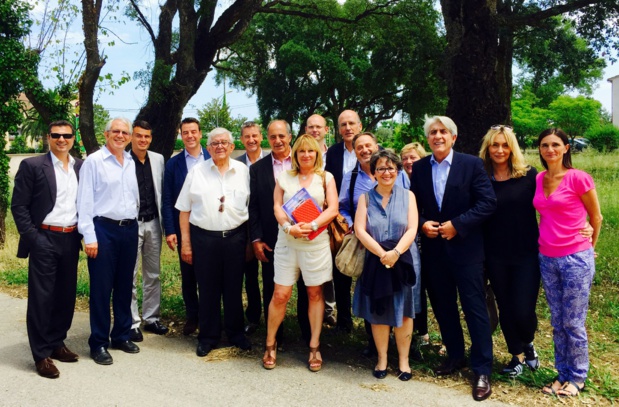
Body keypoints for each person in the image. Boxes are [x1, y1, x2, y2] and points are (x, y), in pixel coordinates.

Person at [409, 115, 496, 401]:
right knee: (443, 308)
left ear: (453, 137)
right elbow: (413, 206)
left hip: (467, 251)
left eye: (443, 131)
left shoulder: (471, 165)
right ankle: (455, 356)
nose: (437, 136)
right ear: (428, 138)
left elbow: (487, 203)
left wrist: (457, 224)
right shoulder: (420, 168)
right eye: (432, 132)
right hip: (434, 253)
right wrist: (422, 223)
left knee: (474, 309)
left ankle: (482, 368)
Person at [533, 128, 602, 397]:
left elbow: (596, 217)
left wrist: (589, 247)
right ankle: (561, 374)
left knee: (574, 322)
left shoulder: (578, 178)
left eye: (555, 145)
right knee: (557, 321)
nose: (550, 149)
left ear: (566, 148)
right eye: (544, 145)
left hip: (576, 259)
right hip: (547, 257)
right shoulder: (539, 178)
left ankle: (578, 377)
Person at [11, 120, 83, 378]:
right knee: (42, 298)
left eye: (66, 135)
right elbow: (18, 206)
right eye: (56, 135)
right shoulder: (32, 166)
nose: (61, 140)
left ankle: (56, 343)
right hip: (44, 238)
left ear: (73, 138)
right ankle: (41, 354)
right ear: (48, 138)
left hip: (71, 238)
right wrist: (33, 237)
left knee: (65, 295)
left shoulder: (80, 166)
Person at [262, 134, 338, 372]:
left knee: (315, 294)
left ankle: (314, 346)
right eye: (302, 151)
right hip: (287, 243)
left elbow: (333, 208)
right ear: (295, 154)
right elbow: (276, 206)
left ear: (317, 154)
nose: (306, 155)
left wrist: (313, 226)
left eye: (311, 151)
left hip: (316, 244)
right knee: (280, 294)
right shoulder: (284, 177)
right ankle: (270, 343)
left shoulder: (326, 177)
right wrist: (288, 227)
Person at [176, 127, 251, 357]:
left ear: (231, 146)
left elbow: (250, 207)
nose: (219, 146)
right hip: (204, 239)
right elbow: (184, 210)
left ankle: (236, 333)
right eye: (214, 143)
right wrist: (186, 244)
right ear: (208, 148)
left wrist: (248, 242)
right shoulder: (196, 172)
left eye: (224, 142)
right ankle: (208, 336)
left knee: (233, 288)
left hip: (235, 238)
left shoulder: (243, 171)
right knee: (207, 289)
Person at [340, 132, 410, 356]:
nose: (364, 149)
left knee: (400, 300)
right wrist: (352, 225)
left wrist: (396, 251)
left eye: (368, 145)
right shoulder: (350, 178)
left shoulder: (400, 179)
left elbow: (410, 212)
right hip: (370, 247)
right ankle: (376, 348)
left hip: (401, 250)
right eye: (359, 147)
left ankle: (404, 353)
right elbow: (343, 207)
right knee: (375, 295)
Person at [478, 125, 541, 377]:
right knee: (505, 306)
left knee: (523, 309)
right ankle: (516, 356)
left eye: (505, 145)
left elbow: (551, 205)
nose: (500, 150)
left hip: (526, 253)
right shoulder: (481, 178)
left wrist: (583, 226)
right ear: (488, 148)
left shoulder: (528, 176)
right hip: (495, 254)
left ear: (512, 148)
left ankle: (528, 342)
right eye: (495, 145)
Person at [77, 117, 141, 365]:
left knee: (125, 285)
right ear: (106, 134)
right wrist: (89, 236)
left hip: (129, 229)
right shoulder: (94, 162)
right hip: (103, 229)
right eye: (116, 131)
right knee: (102, 289)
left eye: (125, 132)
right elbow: (84, 202)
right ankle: (99, 342)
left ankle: (121, 335)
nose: (121, 135)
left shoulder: (130, 161)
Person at [353, 150, 420, 381]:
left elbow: (412, 228)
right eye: (381, 168)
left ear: (398, 170)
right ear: (374, 172)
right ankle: (382, 358)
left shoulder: (408, 196)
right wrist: (383, 254)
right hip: (376, 259)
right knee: (378, 309)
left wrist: (396, 253)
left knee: (403, 312)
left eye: (391, 168)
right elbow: (360, 230)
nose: (386, 172)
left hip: (403, 260)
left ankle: (403, 360)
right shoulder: (365, 199)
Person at [248, 120, 311, 349]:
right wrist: (256, 239)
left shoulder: (304, 162)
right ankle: (276, 338)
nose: (277, 141)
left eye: (282, 136)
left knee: (307, 288)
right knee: (274, 290)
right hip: (271, 240)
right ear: (268, 138)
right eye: (273, 137)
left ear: (290, 136)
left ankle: (307, 336)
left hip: (306, 237)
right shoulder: (257, 169)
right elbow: (253, 206)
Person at [161, 118, 210, 336]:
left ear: (200, 134)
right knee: (188, 274)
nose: (190, 136)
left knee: (210, 274)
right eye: (185, 132)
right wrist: (170, 231)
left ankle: (211, 316)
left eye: (193, 132)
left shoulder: (212, 157)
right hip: (184, 228)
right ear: (181, 135)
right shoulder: (173, 164)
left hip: (210, 226)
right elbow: (168, 198)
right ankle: (193, 316)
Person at [128, 120, 168, 342]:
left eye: (147, 136)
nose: (143, 140)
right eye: (139, 135)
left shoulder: (158, 159)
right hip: (132, 224)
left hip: (153, 222)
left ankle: (151, 318)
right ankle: (132, 322)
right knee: (130, 275)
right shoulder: (123, 159)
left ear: (151, 138)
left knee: (153, 274)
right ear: (132, 137)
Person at [324, 110, 362, 334]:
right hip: (340, 220)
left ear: (360, 125)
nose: (348, 128)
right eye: (343, 124)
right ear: (339, 129)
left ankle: (371, 325)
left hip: (368, 220)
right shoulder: (334, 153)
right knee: (341, 269)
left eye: (351, 123)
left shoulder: (370, 148)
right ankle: (344, 321)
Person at [305, 113, 336, 326]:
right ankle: (313, 310)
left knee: (330, 264)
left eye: (319, 127)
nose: (315, 130)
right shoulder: (299, 154)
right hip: (305, 219)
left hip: (331, 216)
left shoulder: (334, 155)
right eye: (310, 127)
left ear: (326, 130)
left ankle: (331, 309)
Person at [236, 121, 265, 335]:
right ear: (241, 139)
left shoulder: (272, 161)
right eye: (247, 136)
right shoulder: (235, 165)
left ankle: (276, 317)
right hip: (244, 228)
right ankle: (253, 317)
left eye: (254, 136)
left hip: (270, 226)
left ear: (261, 137)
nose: (251, 140)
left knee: (274, 276)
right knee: (250, 275)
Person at [400, 142, 429, 349]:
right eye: (406, 158)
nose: (409, 162)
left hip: (428, 238)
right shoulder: (400, 181)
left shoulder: (427, 179)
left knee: (425, 287)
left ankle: (423, 333)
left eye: (414, 158)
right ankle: (410, 330)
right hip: (409, 241)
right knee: (413, 285)